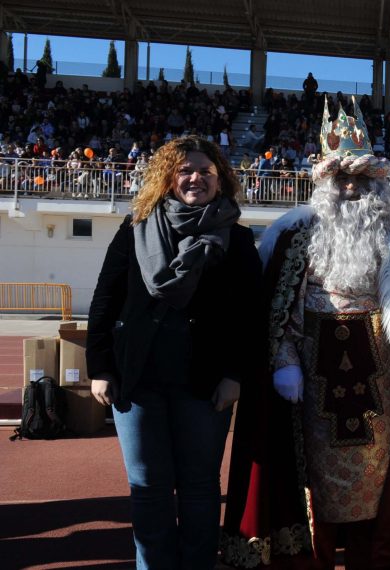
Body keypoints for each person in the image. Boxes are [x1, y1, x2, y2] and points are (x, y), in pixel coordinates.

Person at [221, 98, 390, 568]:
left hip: (378, 378)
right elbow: (281, 307)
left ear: (373, 184)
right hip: (312, 371)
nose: (349, 188)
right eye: (341, 179)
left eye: (359, 180)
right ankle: (316, 557)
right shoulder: (294, 234)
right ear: (324, 182)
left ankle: (371, 555)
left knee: (376, 475)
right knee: (314, 478)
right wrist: (283, 360)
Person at [86, 135, 262, 568]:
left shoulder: (236, 240)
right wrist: (100, 367)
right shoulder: (136, 227)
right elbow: (105, 299)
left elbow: (252, 315)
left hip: (204, 382)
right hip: (137, 378)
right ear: (168, 178)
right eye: (185, 170)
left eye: (205, 171)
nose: (195, 178)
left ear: (221, 180)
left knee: (201, 487)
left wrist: (235, 374)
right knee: (148, 487)